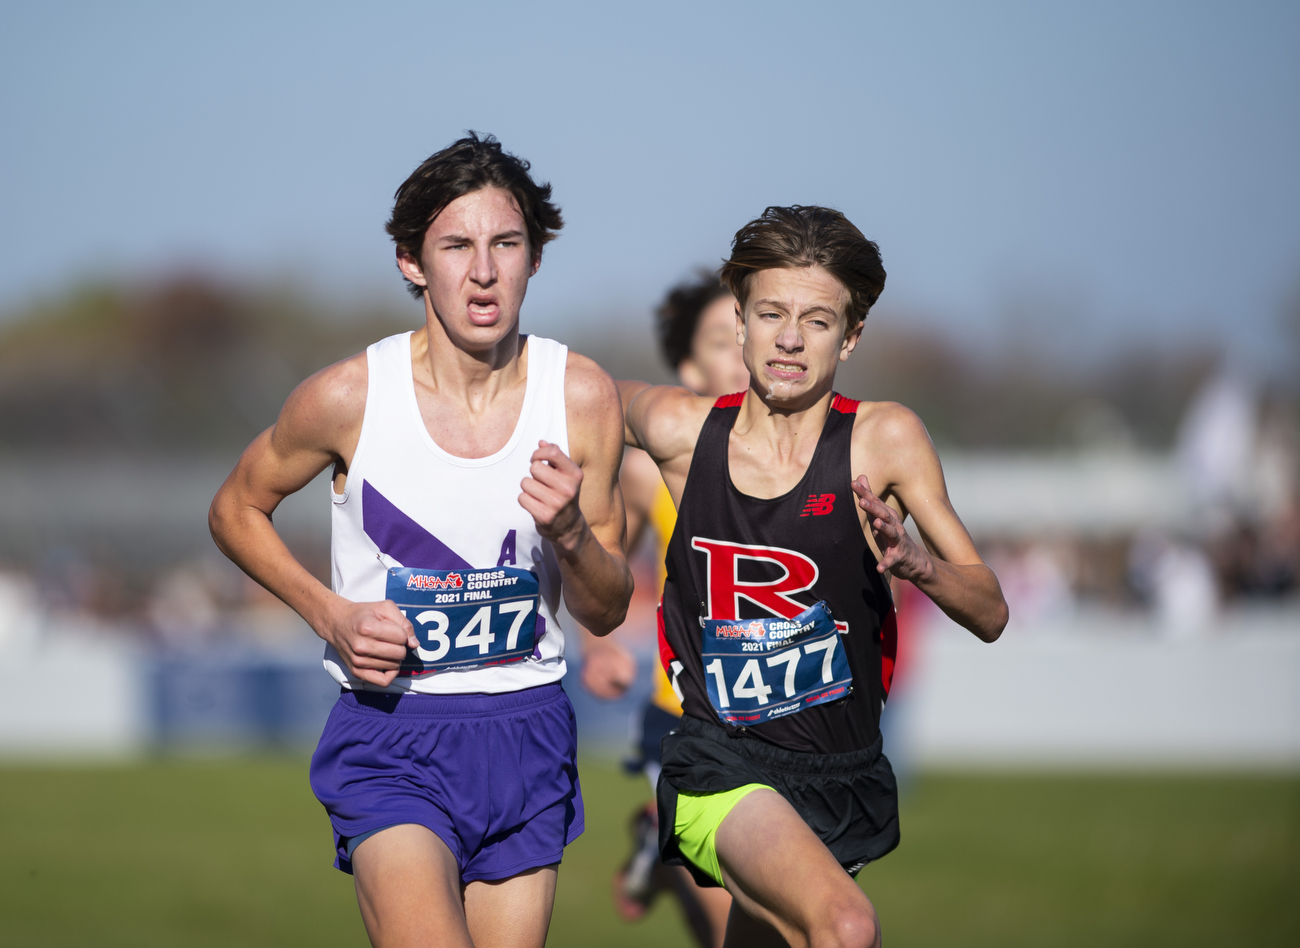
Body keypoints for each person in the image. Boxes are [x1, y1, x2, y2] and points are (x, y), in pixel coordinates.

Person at [208, 133, 632, 948]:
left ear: (534, 260)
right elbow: (233, 510)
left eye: (506, 244)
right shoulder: (346, 397)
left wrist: (572, 533)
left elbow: (608, 609)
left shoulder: (580, 397)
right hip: (392, 732)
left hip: (527, 731)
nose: (483, 271)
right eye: (456, 246)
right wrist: (328, 614)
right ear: (411, 262)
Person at [620, 205, 1008, 948]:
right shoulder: (679, 430)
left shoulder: (884, 439)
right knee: (844, 927)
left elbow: (990, 609)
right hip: (719, 764)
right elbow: (573, 398)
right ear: (739, 322)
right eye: (770, 314)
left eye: (818, 320)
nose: (790, 339)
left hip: (841, 774)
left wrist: (921, 566)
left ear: (852, 335)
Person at [579, 272, 749, 948]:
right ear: (687, 368)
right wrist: (599, 644)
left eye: (750, 332)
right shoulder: (650, 468)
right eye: (721, 340)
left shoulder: (814, 458)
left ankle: (656, 836)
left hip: (784, 721)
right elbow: (604, 565)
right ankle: (664, 827)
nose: (744, 350)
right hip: (685, 718)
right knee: (731, 926)